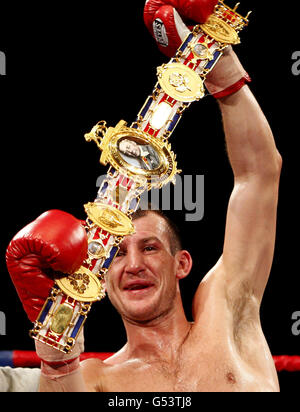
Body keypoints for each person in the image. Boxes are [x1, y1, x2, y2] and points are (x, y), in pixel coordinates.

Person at [6, 0, 282, 392]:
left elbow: (259, 175)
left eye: (150, 248)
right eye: (116, 253)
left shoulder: (227, 310)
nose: (133, 264)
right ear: (99, 278)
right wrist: (57, 353)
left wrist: (221, 68)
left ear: (181, 264)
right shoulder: (97, 380)